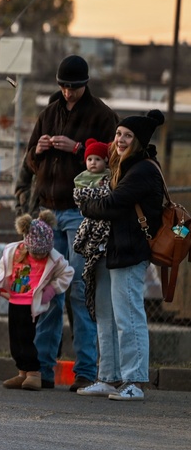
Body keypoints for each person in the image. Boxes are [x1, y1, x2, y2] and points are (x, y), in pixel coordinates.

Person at [26, 54, 118, 391]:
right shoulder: (48, 113)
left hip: (83, 211)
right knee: (48, 290)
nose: (67, 92)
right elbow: (30, 162)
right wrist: (38, 149)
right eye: (63, 86)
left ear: (85, 84)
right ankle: (42, 370)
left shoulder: (102, 115)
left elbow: (115, 160)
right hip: (49, 210)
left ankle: (85, 371)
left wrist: (77, 148)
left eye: (73, 87)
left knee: (79, 289)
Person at [75, 110, 166, 401]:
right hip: (111, 251)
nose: (121, 139)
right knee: (107, 317)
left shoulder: (143, 170)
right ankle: (109, 377)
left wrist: (86, 202)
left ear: (138, 141)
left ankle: (134, 381)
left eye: (127, 135)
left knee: (128, 317)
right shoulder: (122, 167)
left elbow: (114, 203)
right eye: (118, 134)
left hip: (130, 251)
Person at [0, 211, 74, 391]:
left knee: (28, 338)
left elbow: (67, 273)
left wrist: (51, 290)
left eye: (43, 253)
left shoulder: (53, 257)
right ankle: (22, 371)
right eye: (35, 253)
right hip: (15, 300)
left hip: (32, 303)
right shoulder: (14, 251)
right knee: (15, 340)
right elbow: (2, 267)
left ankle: (34, 372)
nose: (39, 257)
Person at [72, 138, 113, 321]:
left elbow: (109, 195)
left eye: (97, 159)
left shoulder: (109, 177)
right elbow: (80, 197)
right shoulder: (82, 178)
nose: (93, 163)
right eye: (89, 159)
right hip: (89, 222)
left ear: (105, 161)